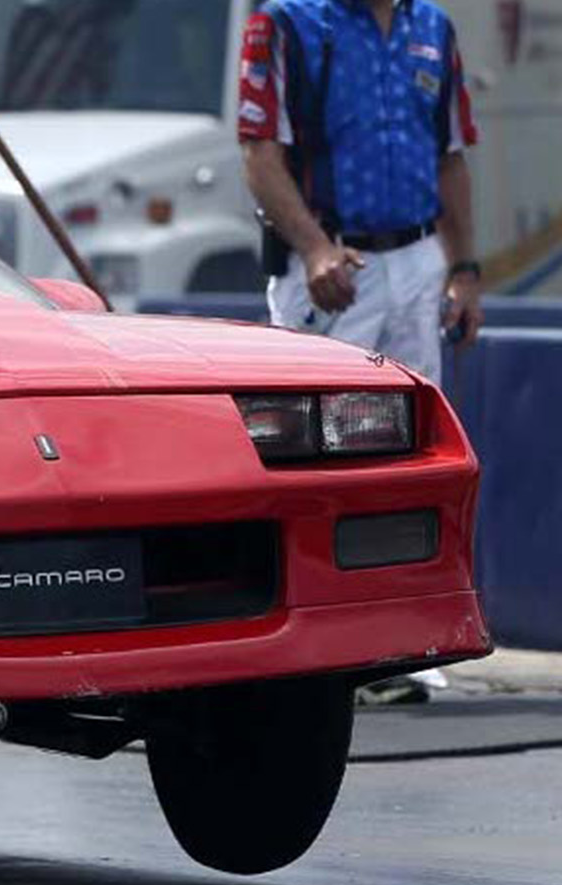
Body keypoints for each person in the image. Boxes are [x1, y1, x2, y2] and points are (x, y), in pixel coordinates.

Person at [238, 0, 480, 704]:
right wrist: (313, 247)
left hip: (416, 258)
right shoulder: (285, 23)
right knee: (318, 463)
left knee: (414, 460)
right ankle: (313, 646)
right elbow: (258, 152)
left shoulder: (432, 28)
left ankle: (402, 639)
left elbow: (451, 156)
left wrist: (465, 269)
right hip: (334, 262)